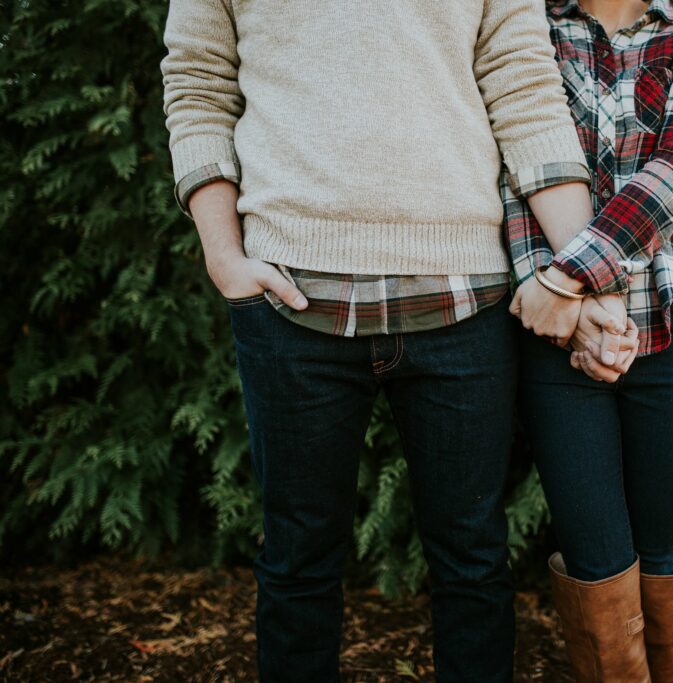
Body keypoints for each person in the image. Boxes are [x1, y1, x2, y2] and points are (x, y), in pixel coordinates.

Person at [159, 1, 603, 681]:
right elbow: (197, 82)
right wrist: (223, 254)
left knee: (473, 562)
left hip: (465, 301)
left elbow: (525, 91)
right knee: (298, 561)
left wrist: (585, 273)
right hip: (289, 302)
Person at [503, 1, 673, 681]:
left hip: (672, 317)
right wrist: (567, 308)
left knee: (658, 559)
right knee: (597, 564)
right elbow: (515, 168)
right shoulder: (528, 25)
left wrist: (570, 280)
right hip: (558, 333)